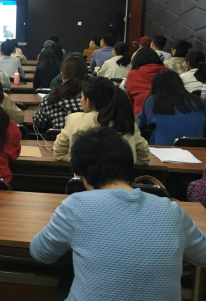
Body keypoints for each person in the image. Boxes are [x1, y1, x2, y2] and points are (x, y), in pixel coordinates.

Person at [31, 126, 206, 301]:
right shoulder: (172, 211)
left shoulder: (75, 206)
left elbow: (41, 253)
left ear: (82, 174)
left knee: (65, 279)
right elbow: (202, 255)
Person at [54, 76, 149, 165]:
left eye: (82, 96)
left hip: (84, 177)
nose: (80, 100)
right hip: (121, 177)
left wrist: (77, 160)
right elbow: (144, 158)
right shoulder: (125, 122)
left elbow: (59, 153)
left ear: (88, 102)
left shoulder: (74, 120)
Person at [138, 70, 206, 145]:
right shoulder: (198, 101)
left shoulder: (152, 102)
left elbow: (142, 123)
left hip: (162, 149)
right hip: (197, 148)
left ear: (155, 86)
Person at [33, 58, 86, 130]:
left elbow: (38, 122)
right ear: (85, 76)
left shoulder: (51, 99)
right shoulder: (91, 99)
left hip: (57, 137)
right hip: (87, 137)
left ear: (62, 76)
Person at [126, 47, 167, 115]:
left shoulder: (132, 74)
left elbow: (131, 100)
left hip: (140, 114)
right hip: (166, 114)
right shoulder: (168, 73)